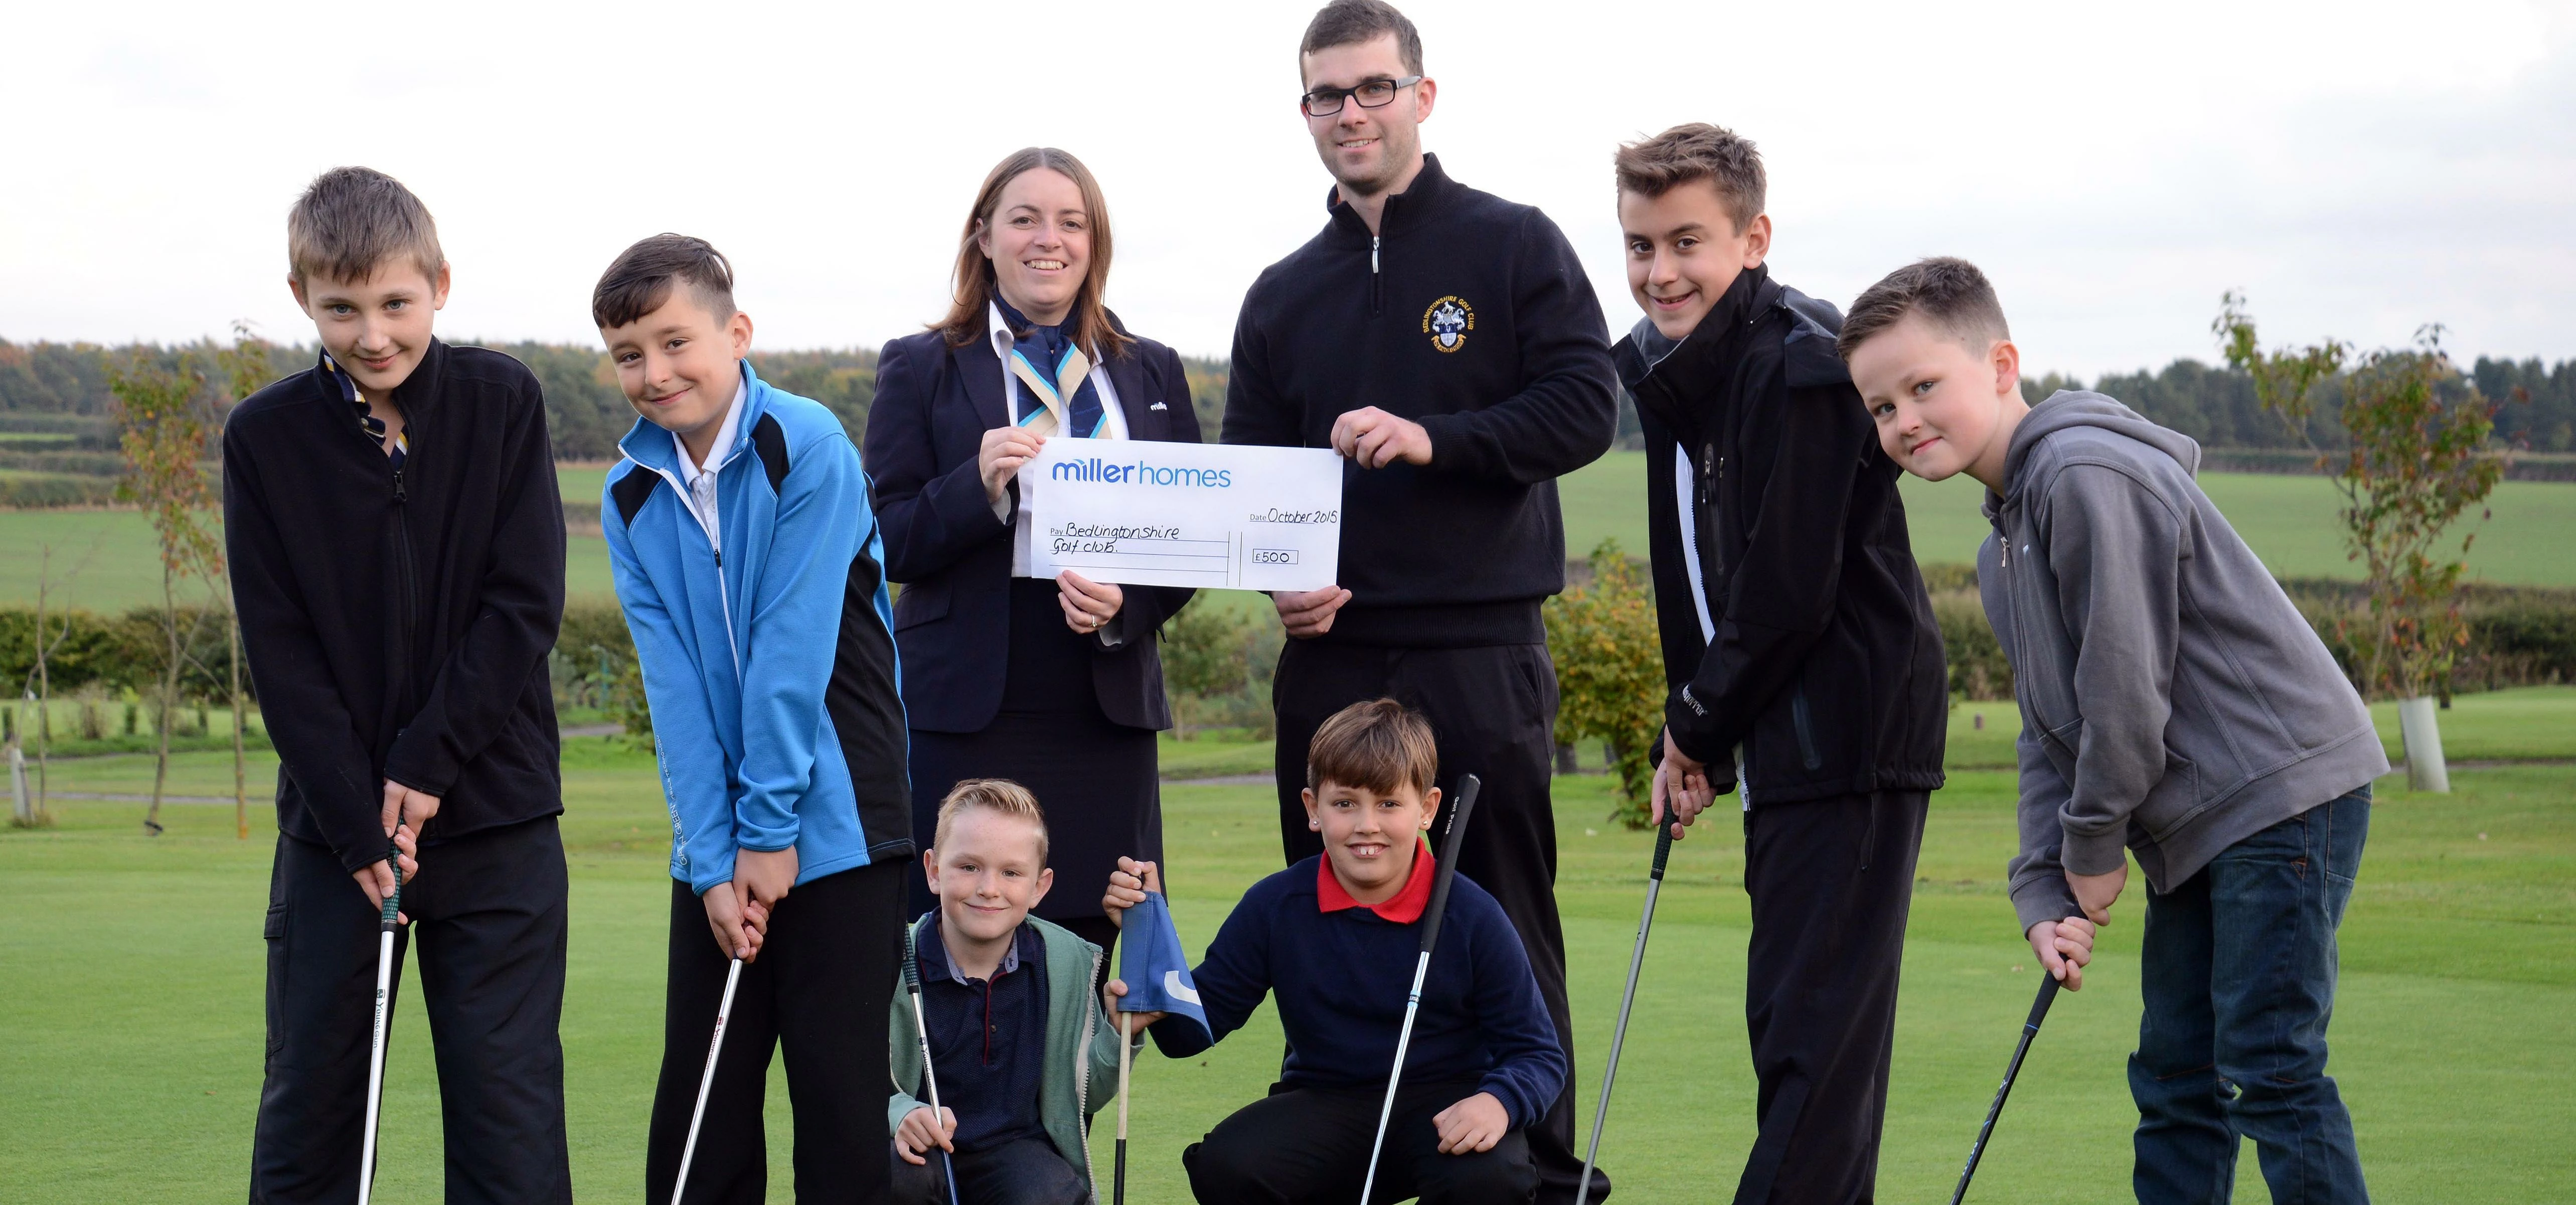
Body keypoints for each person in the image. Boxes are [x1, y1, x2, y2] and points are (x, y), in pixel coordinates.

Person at [1843, 256, 2387, 1204]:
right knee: (2176, 1073)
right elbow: (2048, 729)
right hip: (2201, 815)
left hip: (2279, 790)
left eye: (1923, 386)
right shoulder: (2003, 540)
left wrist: (2091, 847)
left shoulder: (2081, 473)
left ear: (2001, 364)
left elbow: (2126, 694)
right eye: (1882, 407)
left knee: (2269, 1062)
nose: (1903, 421)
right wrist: (2043, 884)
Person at [1219, 5, 1617, 1194]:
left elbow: (1584, 406)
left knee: (1501, 917)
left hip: (1478, 647)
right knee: (1332, 920)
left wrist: (1432, 440)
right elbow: (1251, 474)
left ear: (1421, 97)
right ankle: (1351, 1156)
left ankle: (1531, 1170)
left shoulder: (1509, 245)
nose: (1348, 114)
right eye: (1324, 97)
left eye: (1370, 90)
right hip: (1332, 659)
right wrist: (1275, 573)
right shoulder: (1282, 293)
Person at [1609, 124, 1949, 1204]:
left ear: (1753, 238)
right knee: (1796, 1039)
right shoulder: (1689, 373)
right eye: (1638, 245)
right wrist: (1693, 724)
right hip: (1782, 747)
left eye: (1686, 242)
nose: (1660, 271)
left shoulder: (1800, 362)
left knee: (1815, 1055)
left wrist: (1696, 728)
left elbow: (1785, 589)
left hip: (1847, 743)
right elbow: (1695, 578)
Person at [230, 166, 571, 1203]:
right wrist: (357, 823)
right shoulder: (265, 437)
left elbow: (523, 606)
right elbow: (281, 653)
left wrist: (423, 764)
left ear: (438, 285)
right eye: (342, 308)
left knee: (507, 1130)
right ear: (304, 300)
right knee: (312, 1121)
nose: (372, 334)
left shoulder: (503, 401)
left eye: (395, 303)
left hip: (497, 822)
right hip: (337, 840)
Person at [595, 233, 912, 1205]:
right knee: (701, 1113)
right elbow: (677, 691)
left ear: (736, 332)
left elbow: (792, 650)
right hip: (726, 848)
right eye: (628, 354)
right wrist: (709, 853)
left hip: (846, 825)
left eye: (675, 341)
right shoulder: (629, 493)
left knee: (844, 1112)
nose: (655, 373)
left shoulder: (806, 441)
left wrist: (768, 833)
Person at [863, 146, 1201, 963]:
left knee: (1082, 956)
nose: (1048, 238)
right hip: (961, 712)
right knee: (945, 952)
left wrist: (1129, 605)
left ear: (1095, 243)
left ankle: (1062, 1100)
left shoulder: (1149, 368)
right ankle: (933, 1100)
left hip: (1103, 711)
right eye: (1024, 218)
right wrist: (972, 486)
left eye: (1071, 221)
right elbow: (884, 538)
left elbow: (1188, 540)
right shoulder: (920, 366)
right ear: (984, 237)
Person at [1103, 699, 1563, 1205]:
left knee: (1492, 1178)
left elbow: (1537, 1052)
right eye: (1345, 803)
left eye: (1389, 803)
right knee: (1229, 1164)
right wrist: (1151, 971)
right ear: (1312, 808)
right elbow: (1194, 1027)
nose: (1367, 824)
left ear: (1428, 809)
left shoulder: (1473, 913)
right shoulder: (1277, 904)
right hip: (1327, 1100)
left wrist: (1497, 1102)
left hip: (1446, 1105)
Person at [887, 779, 1126, 1205]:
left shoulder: (1066, 961)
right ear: (934, 871)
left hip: (1017, 1150)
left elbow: (1084, 1092)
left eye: (1011, 873)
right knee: (898, 1178)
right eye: (969, 867)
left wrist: (1120, 1035)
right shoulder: (890, 960)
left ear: (1039, 886)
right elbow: (854, 1077)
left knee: (1044, 1194)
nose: (989, 889)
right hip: (918, 1150)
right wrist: (900, 1112)